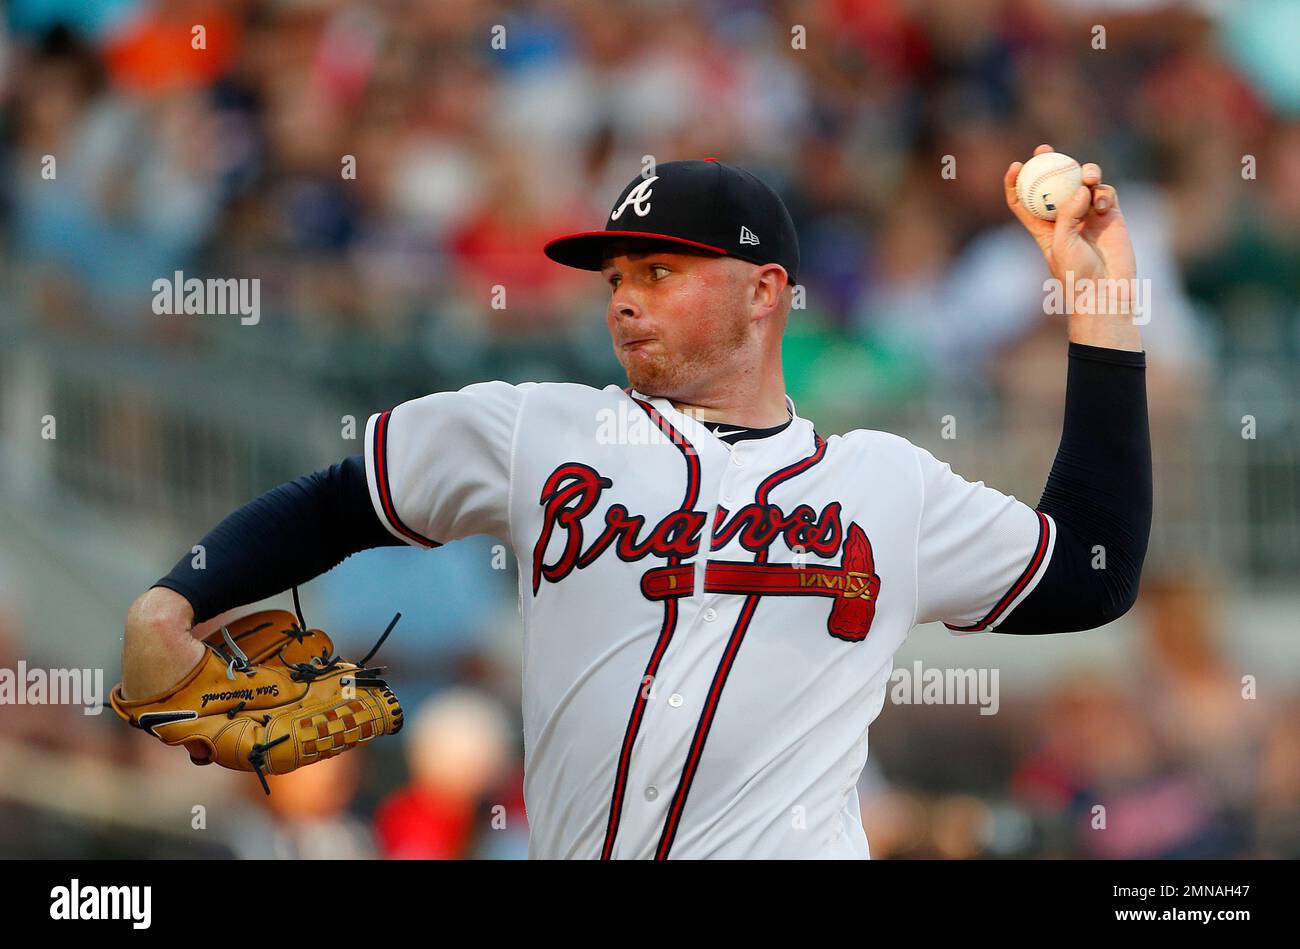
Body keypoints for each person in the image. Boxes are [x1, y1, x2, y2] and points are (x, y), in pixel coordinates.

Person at [120, 152, 1151, 859]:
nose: (623, 297)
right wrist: (171, 601)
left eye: (661, 272)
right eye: (616, 274)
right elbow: (345, 500)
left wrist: (1100, 307)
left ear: (766, 291)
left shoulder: (883, 485)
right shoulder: (539, 429)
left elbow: (1090, 568)